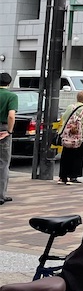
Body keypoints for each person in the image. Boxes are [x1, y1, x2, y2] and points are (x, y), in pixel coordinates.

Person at [58, 90, 83, 185]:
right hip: (80, 136)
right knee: (78, 156)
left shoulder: (70, 107)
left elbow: (64, 118)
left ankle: (63, 177)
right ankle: (73, 176)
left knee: (66, 155)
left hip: (67, 135)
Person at [0, 72, 16, 205]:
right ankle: (0, 195)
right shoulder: (11, 96)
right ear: (9, 83)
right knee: (3, 163)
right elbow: (11, 116)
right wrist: (9, 131)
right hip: (2, 129)